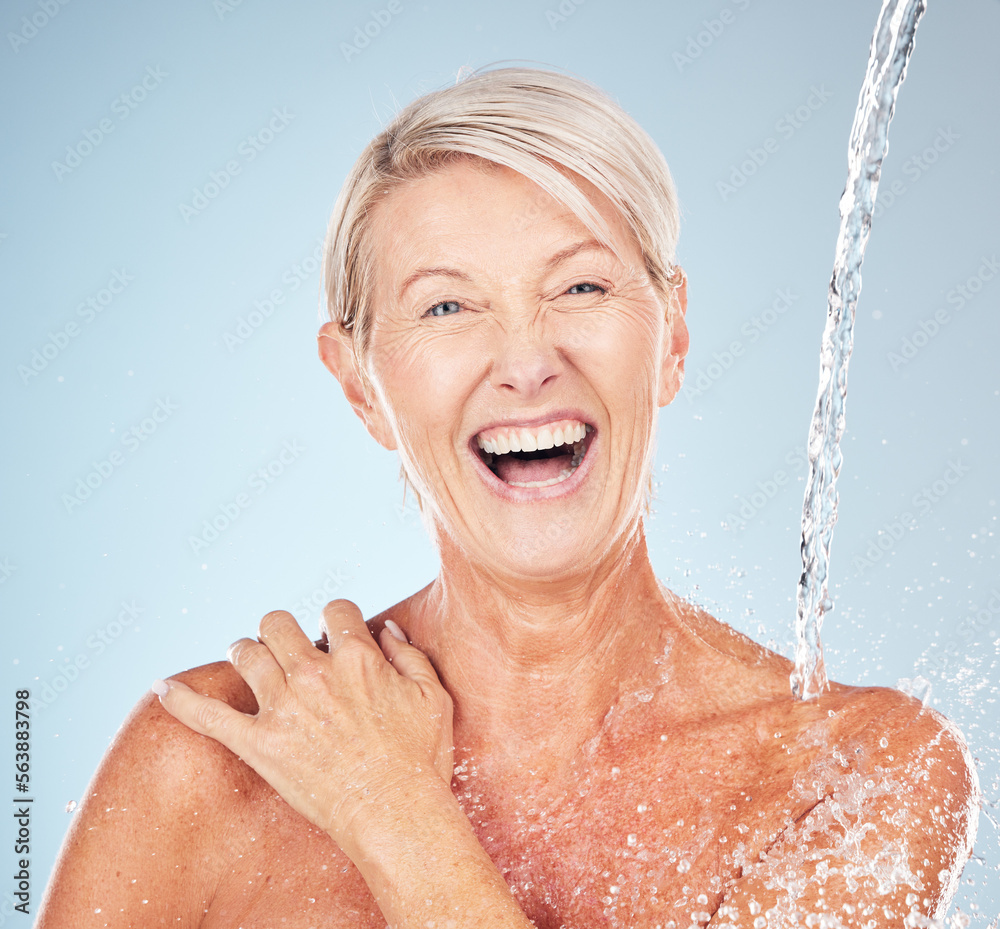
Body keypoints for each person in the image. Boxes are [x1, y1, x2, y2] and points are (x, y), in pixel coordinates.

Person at [38, 66, 977, 928]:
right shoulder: (208, 758)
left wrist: (394, 814)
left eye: (580, 285)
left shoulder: (857, 773)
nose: (528, 362)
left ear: (674, 337)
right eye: (447, 306)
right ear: (359, 383)